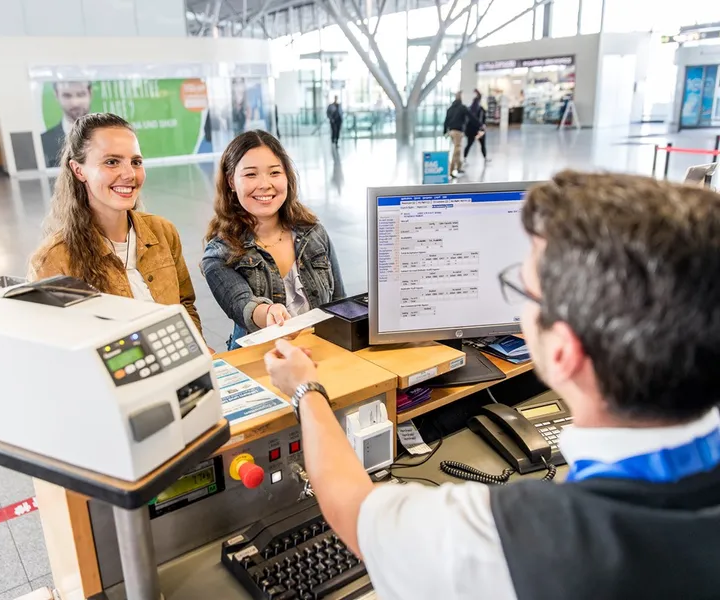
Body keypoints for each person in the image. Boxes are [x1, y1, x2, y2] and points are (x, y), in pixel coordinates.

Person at [264, 171, 720, 599]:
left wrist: (307, 391)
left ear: (563, 353)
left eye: (524, 291)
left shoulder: (516, 539)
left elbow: (352, 510)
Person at [29, 112, 204, 336]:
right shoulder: (53, 260)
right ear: (78, 170)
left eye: (136, 162)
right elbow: (56, 345)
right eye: (111, 162)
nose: (130, 174)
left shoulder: (162, 232)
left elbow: (185, 304)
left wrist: (195, 346)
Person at [202, 130, 345, 350]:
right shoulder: (220, 253)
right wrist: (269, 313)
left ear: (287, 176)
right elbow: (242, 304)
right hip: (261, 363)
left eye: (274, 172)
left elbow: (339, 302)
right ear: (231, 181)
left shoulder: (313, 232)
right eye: (251, 175)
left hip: (323, 354)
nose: (265, 184)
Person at [42, 81, 93, 168]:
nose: (75, 103)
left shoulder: (111, 136)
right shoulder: (43, 141)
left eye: (81, 94)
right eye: (67, 96)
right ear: (56, 96)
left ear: (90, 93)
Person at [443, 91, 483, 178]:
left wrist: (445, 131)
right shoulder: (462, 108)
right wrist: (480, 125)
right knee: (457, 150)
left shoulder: (450, 108)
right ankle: (451, 170)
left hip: (451, 131)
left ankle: (459, 167)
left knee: (458, 149)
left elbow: (446, 121)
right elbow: (471, 117)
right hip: (458, 132)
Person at [464, 90, 489, 165]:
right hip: (478, 130)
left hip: (473, 131)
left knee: (470, 144)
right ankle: (485, 158)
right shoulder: (479, 109)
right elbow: (483, 120)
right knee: (481, 144)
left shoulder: (471, 109)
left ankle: (465, 158)